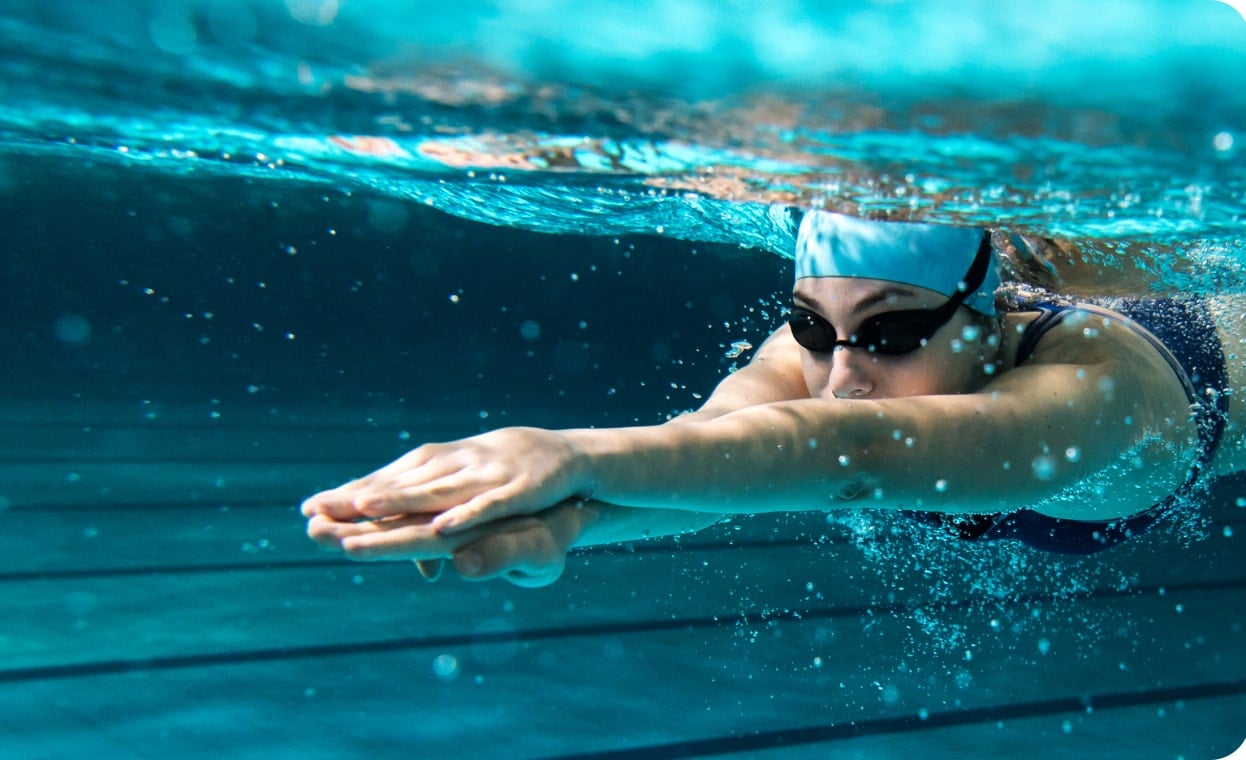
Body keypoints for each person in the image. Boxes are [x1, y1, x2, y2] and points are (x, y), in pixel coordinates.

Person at [302, 211, 1237, 587]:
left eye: (893, 332)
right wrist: (568, 523)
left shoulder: (1100, 384)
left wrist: (571, 454)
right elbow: (712, 453)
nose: (839, 376)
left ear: (986, 323)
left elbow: (858, 459)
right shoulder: (823, 358)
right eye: (811, 326)